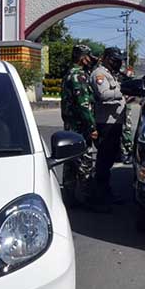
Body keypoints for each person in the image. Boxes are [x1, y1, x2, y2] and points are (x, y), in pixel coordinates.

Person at [60, 44, 98, 207]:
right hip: (80, 127)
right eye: (89, 56)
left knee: (70, 162)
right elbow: (84, 105)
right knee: (85, 163)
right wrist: (92, 127)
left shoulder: (70, 73)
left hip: (70, 126)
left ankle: (69, 199)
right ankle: (88, 199)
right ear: (82, 57)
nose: (91, 60)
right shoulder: (79, 76)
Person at [91, 47, 126, 204]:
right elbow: (104, 94)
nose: (117, 63)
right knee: (104, 160)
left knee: (110, 158)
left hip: (115, 121)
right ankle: (100, 195)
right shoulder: (100, 74)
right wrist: (123, 91)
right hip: (106, 122)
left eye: (119, 60)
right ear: (105, 58)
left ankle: (105, 192)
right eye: (114, 60)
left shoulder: (112, 74)